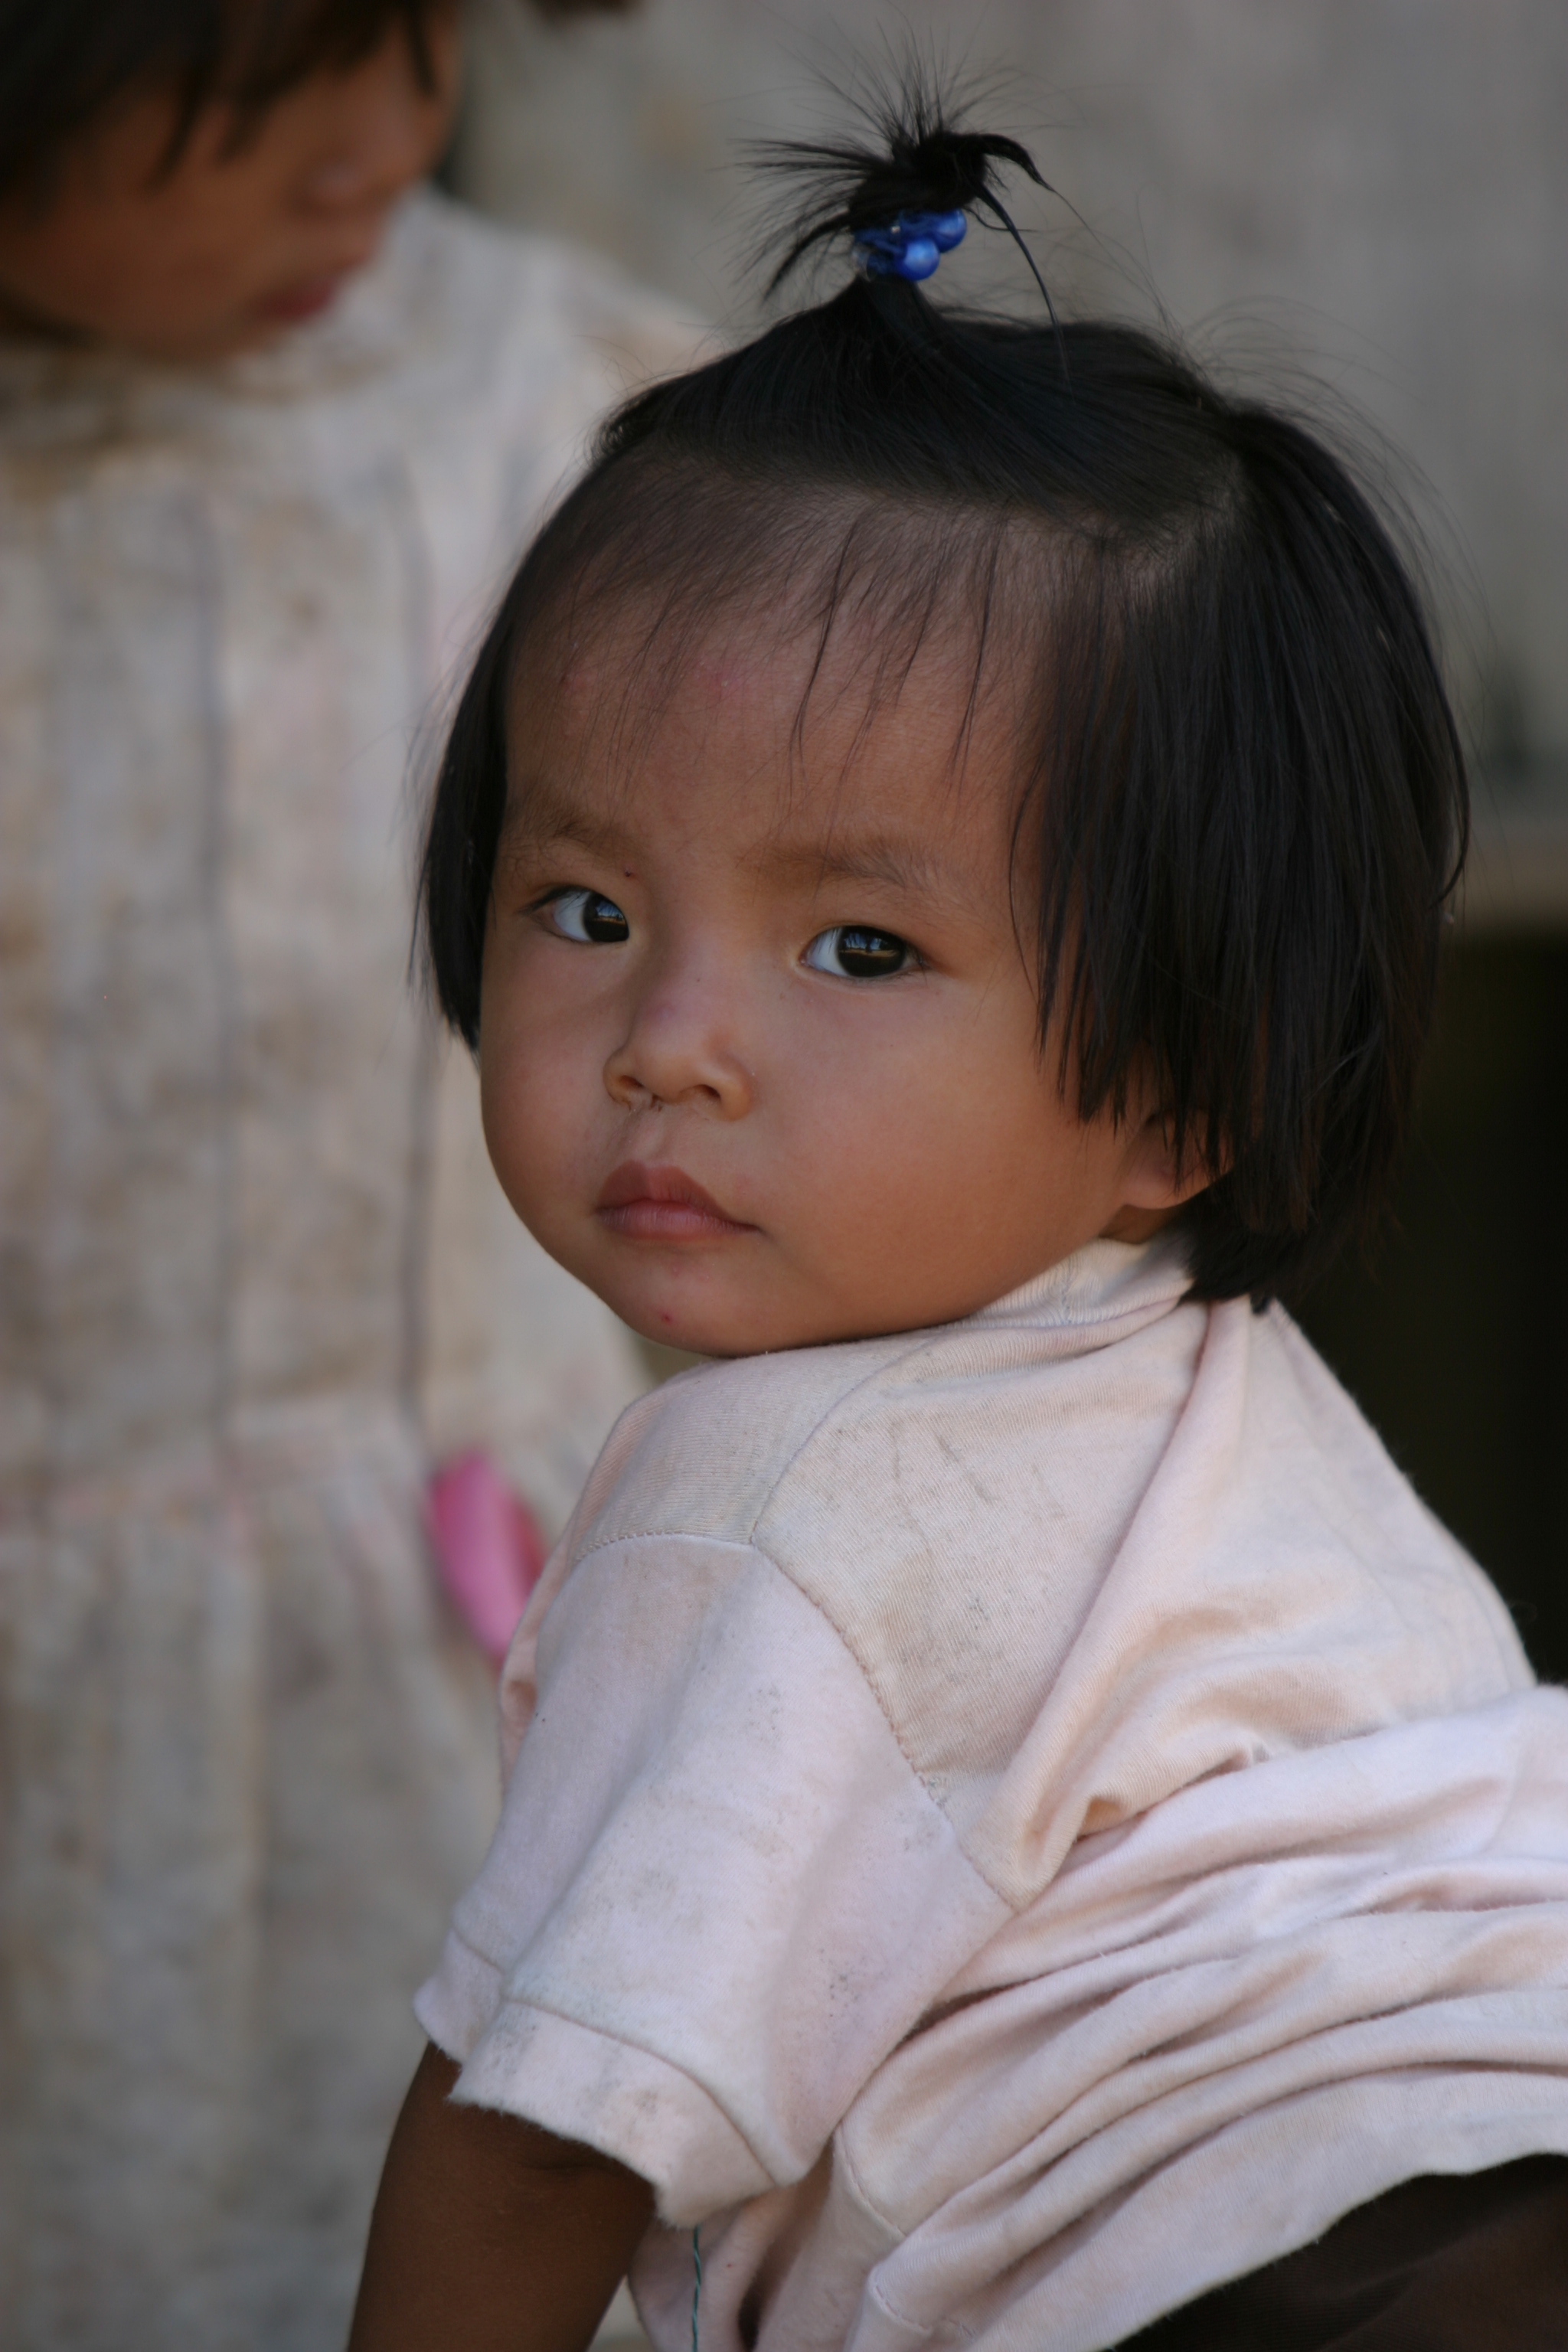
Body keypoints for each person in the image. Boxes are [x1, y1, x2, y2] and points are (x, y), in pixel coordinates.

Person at [349, 87, 1568, 2352]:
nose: (670, 1042)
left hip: (1210, 2271)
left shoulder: (768, 1507)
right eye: (588, 905)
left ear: (1185, 1089)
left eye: (860, 953)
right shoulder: (1203, 1380)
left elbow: (542, 2129)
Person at [0, 5, 693, 2347]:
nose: (371, 150)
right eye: (240, 94)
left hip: (486, 1658)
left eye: (409, 41)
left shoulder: (568, 426)